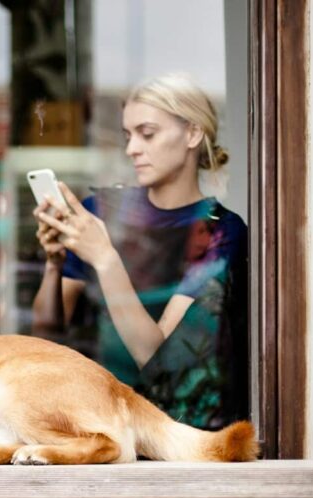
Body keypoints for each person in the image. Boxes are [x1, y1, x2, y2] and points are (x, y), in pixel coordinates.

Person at [32, 73, 249, 429]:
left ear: (193, 134)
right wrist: (55, 264)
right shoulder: (100, 212)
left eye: (147, 134)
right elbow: (46, 332)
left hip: (177, 428)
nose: (132, 148)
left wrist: (105, 259)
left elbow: (156, 356)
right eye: (128, 136)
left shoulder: (219, 232)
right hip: (95, 418)